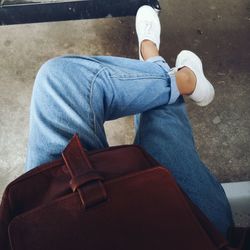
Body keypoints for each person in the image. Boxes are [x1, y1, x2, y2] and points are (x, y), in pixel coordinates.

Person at [25, 5, 233, 236]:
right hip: (197, 231)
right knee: (159, 112)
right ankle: (164, 68)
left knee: (61, 79)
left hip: (61, 225)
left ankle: (164, 69)